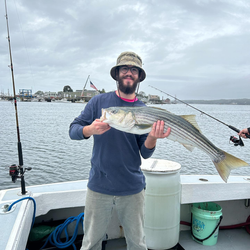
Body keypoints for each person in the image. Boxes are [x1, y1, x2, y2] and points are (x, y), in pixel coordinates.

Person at [69, 51, 171, 250]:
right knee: (90, 243)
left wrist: (151, 137)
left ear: (139, 77)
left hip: (132, 187)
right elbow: (73, 130)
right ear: (117, 74)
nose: (129, 73)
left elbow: (145, 153)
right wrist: (90, 129)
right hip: (99, 185)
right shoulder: (98, 103)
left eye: (134, 70)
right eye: (124, 68)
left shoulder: (144, 110)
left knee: (138, 243)